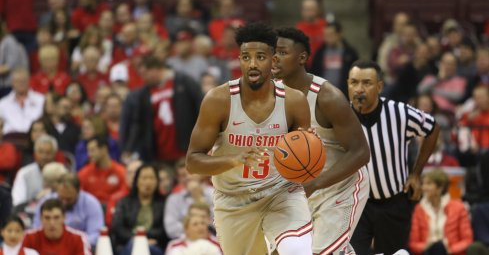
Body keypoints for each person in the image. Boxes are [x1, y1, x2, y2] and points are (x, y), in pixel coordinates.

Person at [186, 22, 313, 255]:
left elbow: (304, 165)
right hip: (234, 200)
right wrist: (234, 160)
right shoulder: (218, 100)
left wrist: (309, 150)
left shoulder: (294, 101)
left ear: (273, 60)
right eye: (246, 57)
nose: (252, 64)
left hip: (280, 192)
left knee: (297, 250)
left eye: (260, 57)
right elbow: (193, 162)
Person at [273, 27, 370, 255]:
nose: (274, 58)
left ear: (302, 58)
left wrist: (315, 184)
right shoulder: (271, 95)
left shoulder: (327, 97)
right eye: (272, 52)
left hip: (341, 185)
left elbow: (361, 152)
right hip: (300, 187)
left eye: (282, 52)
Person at [347, 60, 440, 255]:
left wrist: (416, 174)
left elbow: (432, 127)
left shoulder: (400, 112)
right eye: (354, 82)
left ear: (379, 86)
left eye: (366, 83)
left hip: (393, 202)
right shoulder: (341, 115)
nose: (359, 89)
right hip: (356, 204)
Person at [119, 56, 202, 163]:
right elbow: (138, 123)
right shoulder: (144, 94)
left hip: (186, 149)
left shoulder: (183, 81)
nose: (143, 78)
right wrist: (129, 148)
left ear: (155, 69)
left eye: (144, 74)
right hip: (159, 153)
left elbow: (200, 106)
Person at [409, 169, 473, 255]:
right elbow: (413, 243)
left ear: (440, 188)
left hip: (450, 252)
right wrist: (426, 246)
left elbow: (467, 239)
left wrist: (451, 249)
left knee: (440, 247)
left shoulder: (458, 207)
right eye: (423, 184)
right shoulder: (419, 209)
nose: (424, 187)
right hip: (427, 252)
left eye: (429, 184)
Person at [32, 173, 104, 247]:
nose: (64, 203)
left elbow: (95, 235)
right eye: (61, 198)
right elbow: (37, 228)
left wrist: (73, 245)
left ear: (78, 192)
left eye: (68, 199)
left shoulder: (91, 204)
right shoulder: (45, 203)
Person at [111, 165, 168, 255]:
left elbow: (165, 229)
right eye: (144, 178)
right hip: (127, 244)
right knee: (134, 245)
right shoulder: (124, 202)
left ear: (157, 182)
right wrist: (138, 239)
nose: (148, 182)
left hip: (154, 245)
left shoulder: (165, 203)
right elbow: (117, 228)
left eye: (152, 178)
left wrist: (144, 238)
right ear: (136, 181)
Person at [23, 198, 91, 255]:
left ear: (64, 217)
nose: (52, 223)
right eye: (47, 218)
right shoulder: (28, 237)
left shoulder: (79, 238)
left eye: (56, 217)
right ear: (41, 218)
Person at [78, 136, 127, 206]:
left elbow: (125, 194)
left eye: (92, 150)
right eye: (88, 151)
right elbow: (80, 195)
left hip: (114, 209)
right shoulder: (84, 173)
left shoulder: (121, 171)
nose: (89, 155)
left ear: (104, 149)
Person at [11, 135, 57, 206]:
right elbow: (17, 203)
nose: (44, 156)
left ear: (54, 154)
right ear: (35, 153)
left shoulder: (62, 173)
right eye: (40, 152)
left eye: (48, 153)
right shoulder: (24, 173)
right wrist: (35, 199)